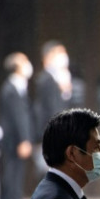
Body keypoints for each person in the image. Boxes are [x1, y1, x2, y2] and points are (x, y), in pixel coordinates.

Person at [0, 52, 34, 199]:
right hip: (14, 137)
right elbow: (18, 116)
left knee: (13, 168)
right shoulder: (12, 88)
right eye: (24, 61)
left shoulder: (17, 86)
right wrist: (24, 138)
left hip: (14, 136)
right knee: (12, 168)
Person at [33, 41, 72, 176]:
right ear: (49, 57)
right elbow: (51, 108)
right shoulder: (46, 78)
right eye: (59, 53)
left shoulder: (57, 79)